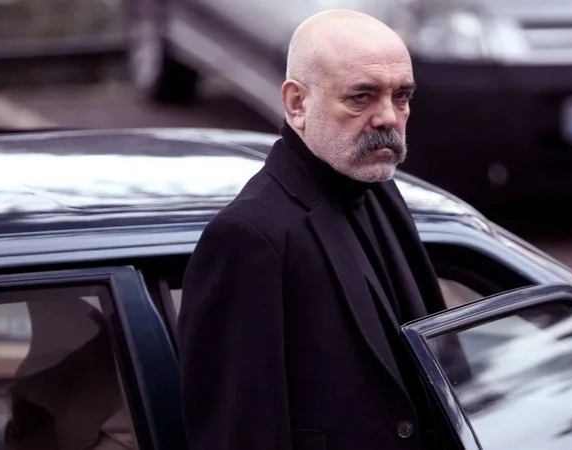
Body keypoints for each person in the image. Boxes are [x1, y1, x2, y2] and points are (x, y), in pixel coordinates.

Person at [177, 8, 448, 450]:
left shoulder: (379, 189)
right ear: (297, 103)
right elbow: (239, 433)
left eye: (401, 96)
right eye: (361, 97)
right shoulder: (248, 238)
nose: (388, 117)